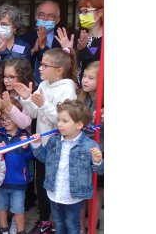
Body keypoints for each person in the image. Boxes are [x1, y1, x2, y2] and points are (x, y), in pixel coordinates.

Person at [14, 48, 78, 234]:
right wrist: (27, 97)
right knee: (41, 183)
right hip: (42, 146)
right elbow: (34, 113)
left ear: (58, 70)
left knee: (54, 185)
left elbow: (62, 120)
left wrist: (42, 104)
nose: (40, 68)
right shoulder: (43, 84)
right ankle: (44, 220)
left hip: (57, 148)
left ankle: (58, 223)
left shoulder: (67, 88)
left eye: (44, 65)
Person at [29, 99, 103, 234]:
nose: (59, 124)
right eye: (59, 120)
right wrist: (37, 144)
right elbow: (44, 158)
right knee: (59, 223)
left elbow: (99, 171)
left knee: (72, 224)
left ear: (79, 124)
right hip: (54, 192)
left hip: (73, 196)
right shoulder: (54, 141)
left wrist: (98, 161)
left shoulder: (89, 145)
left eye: (65, 121)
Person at [0, 109, 33, 234]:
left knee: (18, 209)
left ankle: (20, 230)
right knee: (0, 207)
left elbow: (30, 158)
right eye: (2, 119)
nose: (5, 122)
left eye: (8, 118)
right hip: (0, 180)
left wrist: (26, 149)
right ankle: (3, 229)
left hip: (19, 181)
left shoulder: (24, 135)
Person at [77, 61, 104, 233]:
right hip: (82, 150)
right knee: (81, 192)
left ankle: (92, 224)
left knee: (95, 192)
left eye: (90, 78)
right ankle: (79, 228)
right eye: (84, 76)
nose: (85, 80)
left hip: (99, 150)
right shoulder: (81, 99)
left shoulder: (104, 104)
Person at [54, 0, 104, 85]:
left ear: (100, 12)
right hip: (74, 89)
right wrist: (68, 51)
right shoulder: (77, 37)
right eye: (80, 12)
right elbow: (68, 67)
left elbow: (97, 68)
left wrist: (83, 50)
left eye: (85, 11)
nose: (81, 15)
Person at [21, 1, 63, 87]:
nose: (45, 18)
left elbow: (62, 65)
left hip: (55, 87)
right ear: (36, 17)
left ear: (57, 20)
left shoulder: (63, 39)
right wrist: (32, 51)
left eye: (50, 16)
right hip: (28, 88)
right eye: (41, 14)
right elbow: (18, 63)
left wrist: (44, 47)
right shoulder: (24, 38)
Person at [0, 58, 33, 131]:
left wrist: (9, 106)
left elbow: (24, 124)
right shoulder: (0, 95)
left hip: (21, 140)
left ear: (22, 77)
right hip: (1, 139)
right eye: (4, 76)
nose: (6, 80)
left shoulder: (27, 97)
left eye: (11, 77)